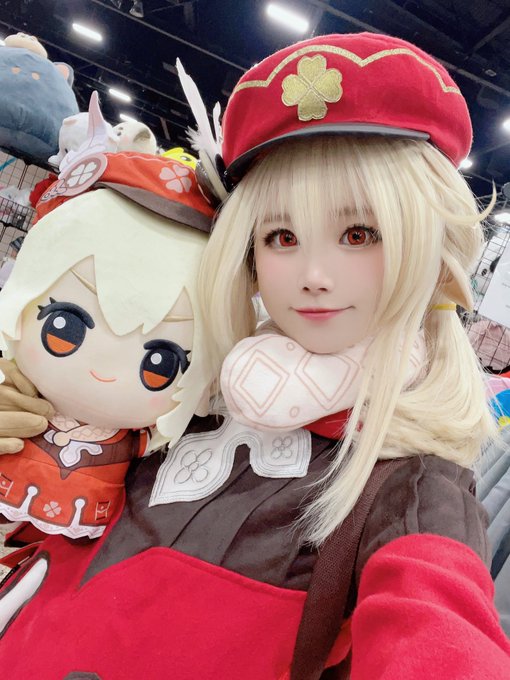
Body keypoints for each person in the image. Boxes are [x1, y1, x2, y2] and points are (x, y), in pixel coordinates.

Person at [0, 32, 509, 679]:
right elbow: (66, 540)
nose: (314, 275)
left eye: (359, 233)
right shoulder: (195, 389)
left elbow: (439, 631)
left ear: (428, 248)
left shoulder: (411, 482)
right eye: (282, 236)